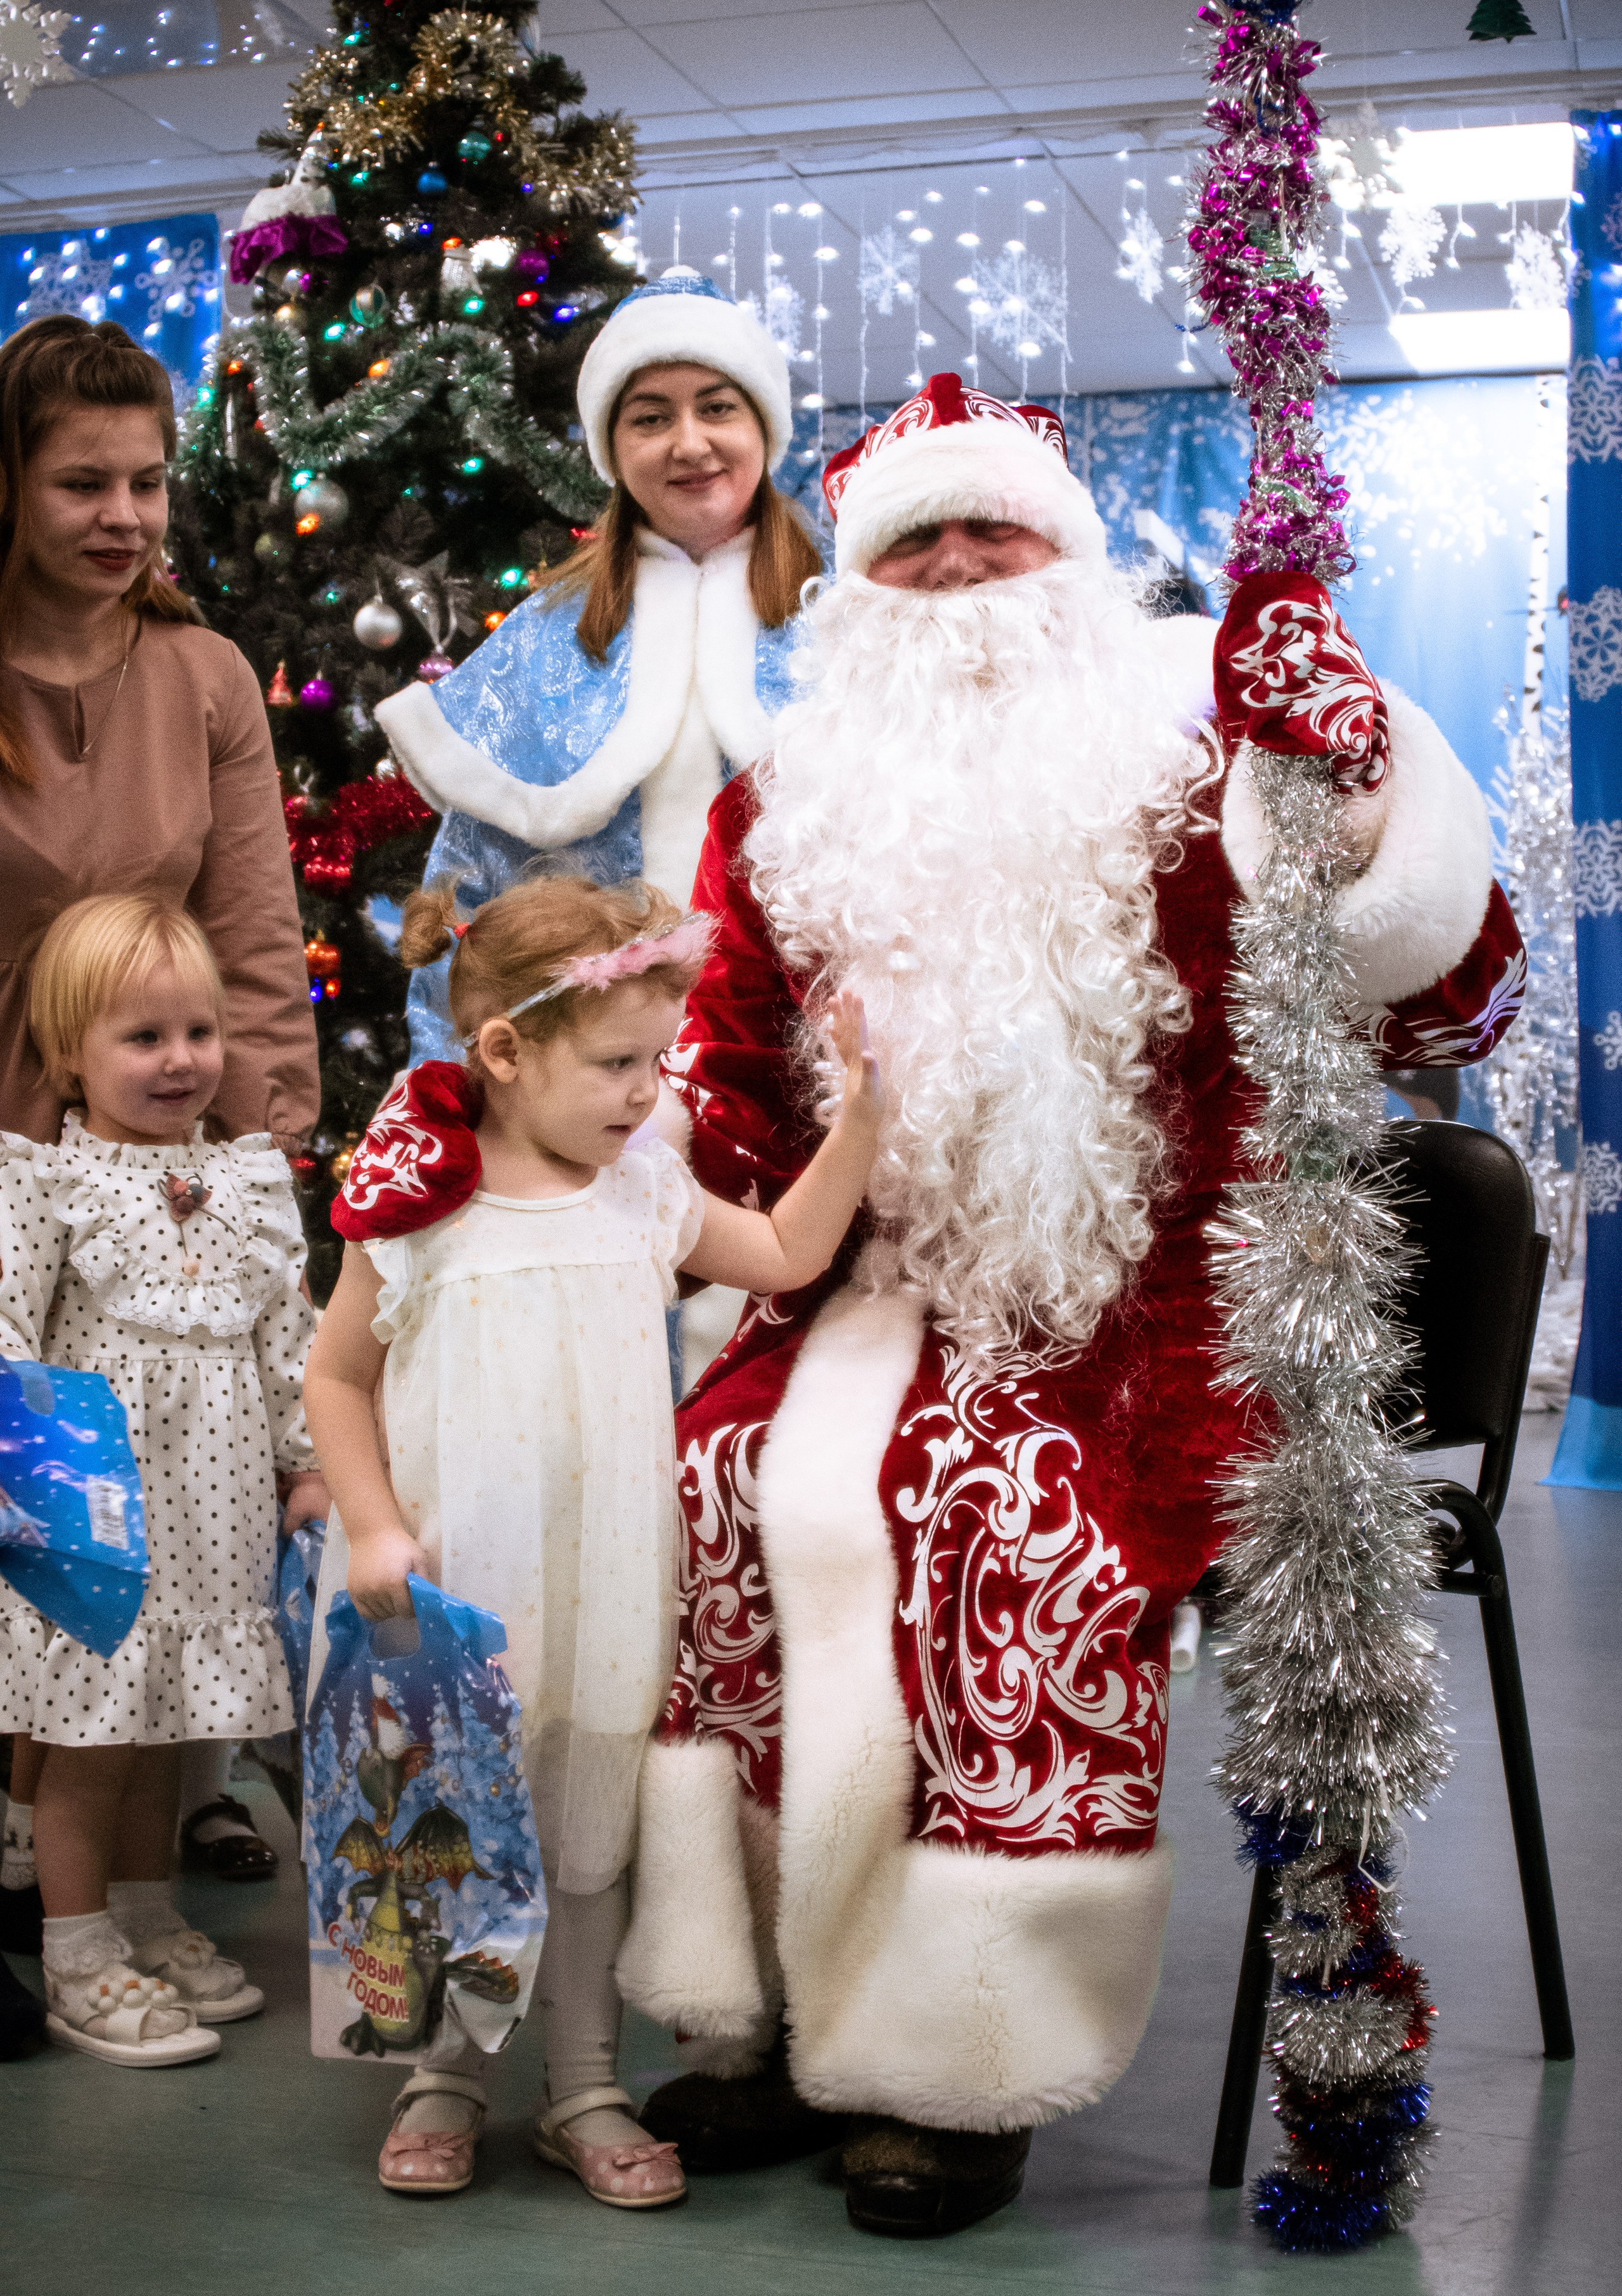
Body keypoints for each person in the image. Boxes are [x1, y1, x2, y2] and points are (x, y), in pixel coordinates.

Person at [615, 375, 1526, 2237]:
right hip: (850, 1275)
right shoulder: (777, 811)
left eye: (993, 531)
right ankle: (779, 2015)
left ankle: (954, 2059)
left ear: (1069, 560)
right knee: (711, 1473)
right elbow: (714, 1078)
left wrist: (1355, 791)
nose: (954, 569)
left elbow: (1452, 990)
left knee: (991, 1509)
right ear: (857, 588)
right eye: (912, 541)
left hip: (1148, 1308)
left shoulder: (1203, 770)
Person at [303, 872, 880, 2204]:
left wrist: (860, 1122)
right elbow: (335, 1379)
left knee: (582, 1830)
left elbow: (788, 1249)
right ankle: (444, 2070)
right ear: (503, 1053)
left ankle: (581, 2083)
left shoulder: (642, 1191)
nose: (643, 1092)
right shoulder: (422, 1206)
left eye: (656, 1061)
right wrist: (377, 1526)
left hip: (610, 1575)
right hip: (453, 1584)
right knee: (448, 1822)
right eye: (616, 1064)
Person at [0, 314, 320, 1918]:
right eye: (82, 483)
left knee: (117, 1515)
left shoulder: (197, 675)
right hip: (8, 1140)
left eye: (147, 482)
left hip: (154, 1146)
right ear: (11, 486)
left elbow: (257, 927)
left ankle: (100, 1863)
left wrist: (256, 1146)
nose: (125, 516)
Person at [0, 895, 322, 2066]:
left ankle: (143, 1912)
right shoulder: (46, 1186)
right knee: (91, 1740)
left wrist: (308, 1463)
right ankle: (76, 1948)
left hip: (217, 1514)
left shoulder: (247, 1184)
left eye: (199, 1030)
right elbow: (6, 1338)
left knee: (166, 1732)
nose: (180, 1060)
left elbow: (291, 1341)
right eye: (143, 1038)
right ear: (65, 1057)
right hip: (97, 1520)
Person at [374, 267, 820, 1062]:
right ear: (613, 449)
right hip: (577, 1090)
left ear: (764, 428)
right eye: (651, 418)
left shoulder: (844, 626)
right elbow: (469, 904)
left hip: (795, 1072)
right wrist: (446, 1095)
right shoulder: (542, 639)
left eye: (718, 407)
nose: (690, 443)